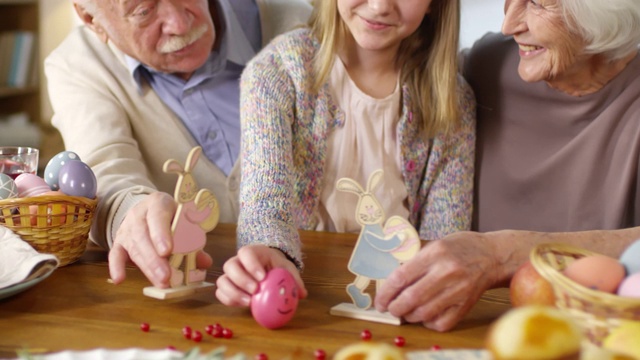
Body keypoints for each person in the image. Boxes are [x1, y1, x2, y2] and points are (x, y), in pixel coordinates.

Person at [374, 0, 640, 332]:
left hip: (591, 334)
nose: (509, 25)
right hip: (459, 321)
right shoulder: (488, 65)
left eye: (538, 4)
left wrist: (502, 254)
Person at [215, 0, 476, 308]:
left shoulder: (452, 100)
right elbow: (265, 202)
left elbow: (443, 238)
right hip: (301, 289)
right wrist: (270, 252)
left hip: (399, 297)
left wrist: (430, 284)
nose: (379, 7)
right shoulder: (276, 71)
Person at [44, 0, 312, 288]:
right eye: (144, 11)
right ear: (90, 18)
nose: (181, 25)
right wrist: (132, 213)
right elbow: (104, 173)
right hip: (193, 284)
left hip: (313, 270)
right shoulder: (77, 65)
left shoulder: (300, 24)